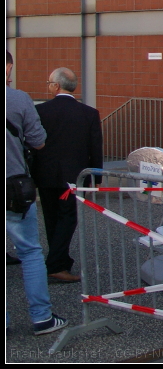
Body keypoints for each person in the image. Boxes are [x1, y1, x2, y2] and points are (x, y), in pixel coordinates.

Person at [5, 52, 68, 335]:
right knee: (29, 251)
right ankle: (42, 317)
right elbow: (39, 142)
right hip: (13, 187)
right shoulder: (18, 99)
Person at [32, 67, 103, 283]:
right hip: (74, 176)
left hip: (45, 174)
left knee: (51, 218)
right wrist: (95, 178)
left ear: (55, 85)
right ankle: (56, 263)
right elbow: (95, 147)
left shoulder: (41, 111)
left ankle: (57, 261)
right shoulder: (89, 113)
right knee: (68, 218)